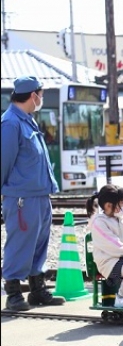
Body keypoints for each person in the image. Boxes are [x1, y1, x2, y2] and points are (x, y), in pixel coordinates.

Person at [1, 75, 64, 311]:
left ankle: (37, 290)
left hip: (38, 194)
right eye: (41, 94)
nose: (42, 99)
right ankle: (14, 294)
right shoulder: (10, 123)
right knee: (20, 244)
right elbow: (3, 162)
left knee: (39, 243)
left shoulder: (26, 120)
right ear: (33, 95)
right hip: (21, 197)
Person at [86, 184, 123, 309]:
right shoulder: (99, 222)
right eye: (121, 203)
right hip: (109, 261)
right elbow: (114, 245)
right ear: (109, 205)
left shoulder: (122, 219)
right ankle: (121, 298)